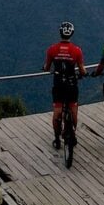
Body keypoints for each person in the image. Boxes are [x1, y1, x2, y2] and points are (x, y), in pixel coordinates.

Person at [43, 20, 87, 149]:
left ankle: (57, 139)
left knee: (57, 112)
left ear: (60, 32)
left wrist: (45, 67)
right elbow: (82, 69)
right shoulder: (77, 50)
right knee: (73, 109)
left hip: (58, 85)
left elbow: (47, 67)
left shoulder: (52, 49)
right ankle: (72, 131)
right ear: (71, 34)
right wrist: (84, 74)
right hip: (72, 84)